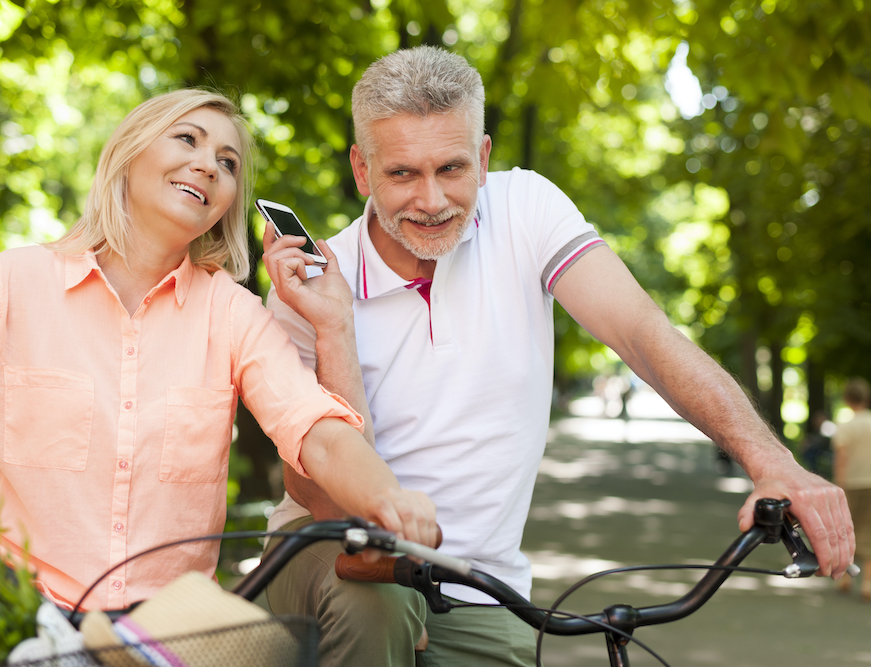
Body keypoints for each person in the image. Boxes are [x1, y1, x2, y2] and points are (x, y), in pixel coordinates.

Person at [259, 47, 856, 666]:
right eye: (403, 174)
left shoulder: (525, 209)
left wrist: (771, 462)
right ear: (362, 170)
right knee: (373, 605)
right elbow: (322, 497)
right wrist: (336, 329)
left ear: (485, 158)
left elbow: (643, 333)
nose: (433, 200)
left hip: (481, 587)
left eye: (453, 168)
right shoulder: (309, 287)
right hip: (334, 554)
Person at [0, 88, 437, 611]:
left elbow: (317, 430)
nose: (208, 164)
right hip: (6, 616)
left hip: (163, 632)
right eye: (187, 138)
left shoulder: (232, 313)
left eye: (228, 162)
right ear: (128, 154)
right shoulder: (11, 283)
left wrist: (390, 498)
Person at [832, 378, 871, 601]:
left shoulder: (845, 426)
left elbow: (841, 458)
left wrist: (839, 484)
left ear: (847, 399)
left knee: (848, 529)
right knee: (869, 530)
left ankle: (847, 577)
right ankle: (867, 583)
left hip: (852, 483)